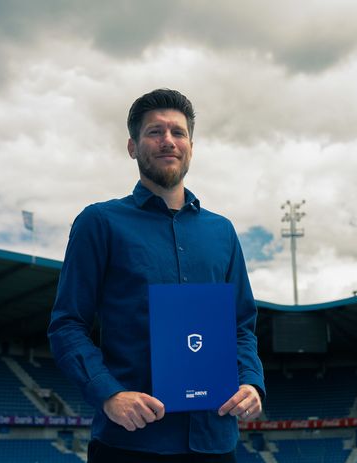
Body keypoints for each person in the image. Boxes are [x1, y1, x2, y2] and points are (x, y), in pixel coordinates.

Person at [48, 88, 265, 462]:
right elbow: (67, 324)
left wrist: (250, 381)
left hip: (215, 441)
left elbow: (241, 325)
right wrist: (109, 394)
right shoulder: (99, 223)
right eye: (155, 132)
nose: (168, 141)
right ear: (132, 147)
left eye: (178, 133)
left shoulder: (222, 232)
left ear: (191, 147)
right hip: (130, 443)